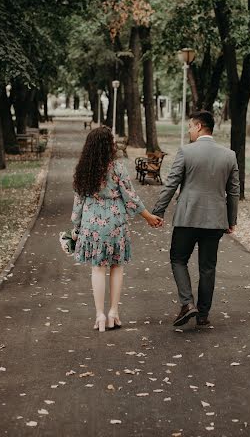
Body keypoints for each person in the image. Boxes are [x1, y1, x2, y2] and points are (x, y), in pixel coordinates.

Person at [152, 110, 240, 328]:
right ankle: (202, 315)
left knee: (178, 259)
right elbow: (234, 191)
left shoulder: (186, 152)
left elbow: (171, 183)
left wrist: (158, 211)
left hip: (187, 218)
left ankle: (187, 303)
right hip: (215, 221)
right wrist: (231, 220)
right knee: (208, 267)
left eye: (190, 126)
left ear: (199, 126)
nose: (189, 130)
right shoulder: (229, 155)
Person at [71, 126, 162, 332]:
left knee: (97, 268)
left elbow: (78, 203)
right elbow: (130, 198)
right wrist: (148, 217)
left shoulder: (83, 169)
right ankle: (113, 312)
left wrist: (76, 228)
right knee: (116, 267)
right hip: (115, 224)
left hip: (91, 225)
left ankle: (99, 316)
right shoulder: (118, 168)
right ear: (108, 145)